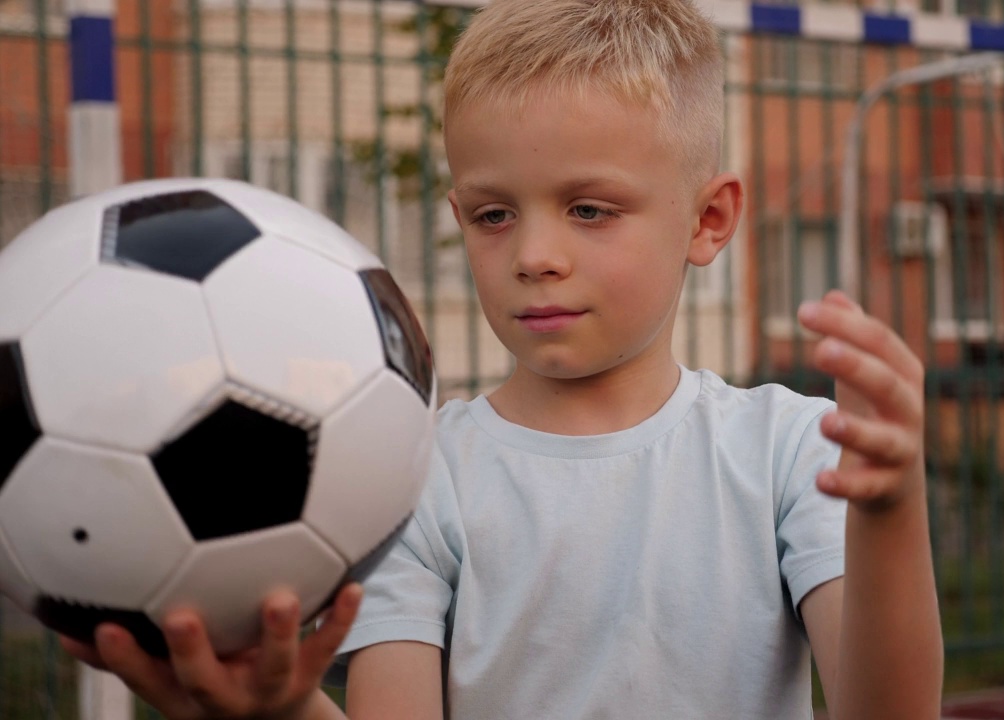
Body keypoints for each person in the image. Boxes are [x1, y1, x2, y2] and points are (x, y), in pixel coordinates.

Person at [62, 0, 942, 717]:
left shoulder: (789, 448)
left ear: (708, 221)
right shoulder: (415, 473)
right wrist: (281, 710)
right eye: (494, 215)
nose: (534, 254)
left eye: (589, 209)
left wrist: (893, 509)